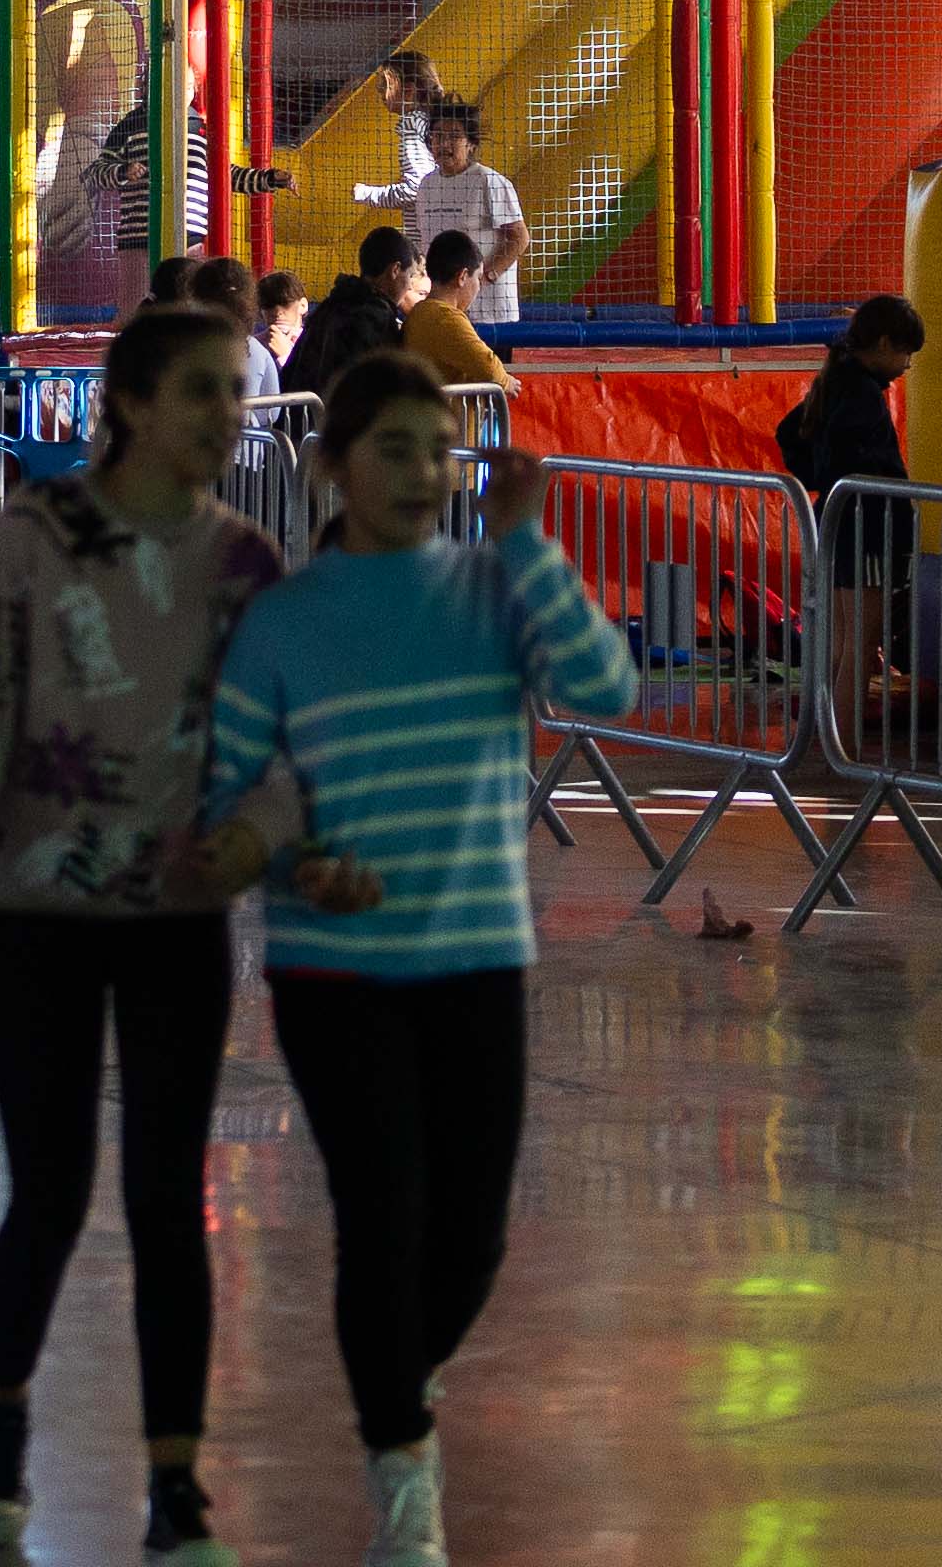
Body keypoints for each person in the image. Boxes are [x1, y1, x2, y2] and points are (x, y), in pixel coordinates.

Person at [195, 353, 639, 1564]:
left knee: (473, 1237)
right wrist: (290, 860)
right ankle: (403, 1481)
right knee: (383, 1221)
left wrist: (531, 547)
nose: (422, 471)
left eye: (439, 448)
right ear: (332, 463)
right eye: (392, 446)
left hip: (478, 958)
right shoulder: (284, 618)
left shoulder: (497, 590)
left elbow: (608, 683)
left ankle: (395, 1376)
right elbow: (223, 794)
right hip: (335, 970)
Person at [0, 300, 304, 1564]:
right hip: (33, 907)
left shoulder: (247, 566)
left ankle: (175, 1481)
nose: (227, 416)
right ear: (134, 404)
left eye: (236, 392)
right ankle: (0, 1417)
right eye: (201, 391)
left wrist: (255, 836)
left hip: (174, 917)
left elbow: (285, 743)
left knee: (165, 1194)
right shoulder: (36, 539)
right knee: (50, 1187)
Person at [777, 297, 921, 749]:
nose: (905, 366)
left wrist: (819, 478)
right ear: (882, 344)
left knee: (842, 639)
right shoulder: (859, 393)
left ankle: (832, 735)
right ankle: (847, 743)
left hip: (838, 523)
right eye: (904, 353)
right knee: (861, 643)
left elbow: (789, 432)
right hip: (868, 527)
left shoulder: (835, 379)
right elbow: (856, 454)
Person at [399, 107, 524, 328]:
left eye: (454, 136)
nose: (444, 144)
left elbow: (519, 238)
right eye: (437, 136)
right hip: (445, 311)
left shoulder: (488, 181)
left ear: (471, 144)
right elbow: (424, 246)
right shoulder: (427, 186)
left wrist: (486, 278)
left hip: (490, 313)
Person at [298, 230, 411, 399]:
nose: (409, 285)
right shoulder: (375, 317)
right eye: (410, 275)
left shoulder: (332, 305)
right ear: (395, 270)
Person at [401, 234, 511, 390]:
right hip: (449, 413)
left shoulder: (418, 313)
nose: (478, 287)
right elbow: (489, 367)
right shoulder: (448, 318)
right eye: (478, 278)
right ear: (463, 277)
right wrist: (507, 382)